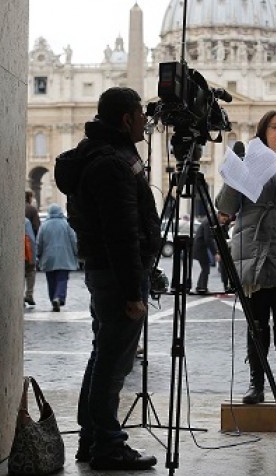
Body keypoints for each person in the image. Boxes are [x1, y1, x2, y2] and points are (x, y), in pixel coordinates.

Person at [56, 87, 160, 470]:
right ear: (126, 119)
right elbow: (121, 234)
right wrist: (134, 292)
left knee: (103, 357)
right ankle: (108, 445)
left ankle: (92, 439)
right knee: (114, 364)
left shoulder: (97, 156)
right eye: (140, 115)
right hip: (118, 276)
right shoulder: (113, 164)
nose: (147, 122)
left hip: (103, 272)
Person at [216, 110, 276, 405]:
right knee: (255, 321)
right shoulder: (251, 157)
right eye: (274, 127)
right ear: (263, 132)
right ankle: (256, 383)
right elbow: (226, 207)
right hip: (253, 248)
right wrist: (234, 172)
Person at [36, 204, 79, 312]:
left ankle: (53, 299)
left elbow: (39, 242)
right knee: (62, 279)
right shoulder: (66, 225)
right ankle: (58, 297)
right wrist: (76, 252)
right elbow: (73, 240)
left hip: (48, 257)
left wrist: (38, 254)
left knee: (51, 280)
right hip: (64, 257)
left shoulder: (44, 226)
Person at [192, 215, 216, 293]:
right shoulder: (208, 222)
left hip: (200, 247)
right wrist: (215, 253)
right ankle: (202, 287)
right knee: (205, 268)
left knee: (205, 268)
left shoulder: (208, 221)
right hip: (200, 248)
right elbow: (208, 239)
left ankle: (201, 286)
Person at [216, 211, 235, 292]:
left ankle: (230, 285)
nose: (225, 220)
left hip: (229, 250)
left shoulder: (226, 226)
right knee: (224, 270)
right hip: (224, 250)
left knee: (230, 270)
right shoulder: (219, 226)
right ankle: (226, 286)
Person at [24, 217, 38, 306]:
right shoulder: (25, 221)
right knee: (31, 272)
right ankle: (29, 294)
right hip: (25, 253)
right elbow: (31, 239)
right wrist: (33, 257)